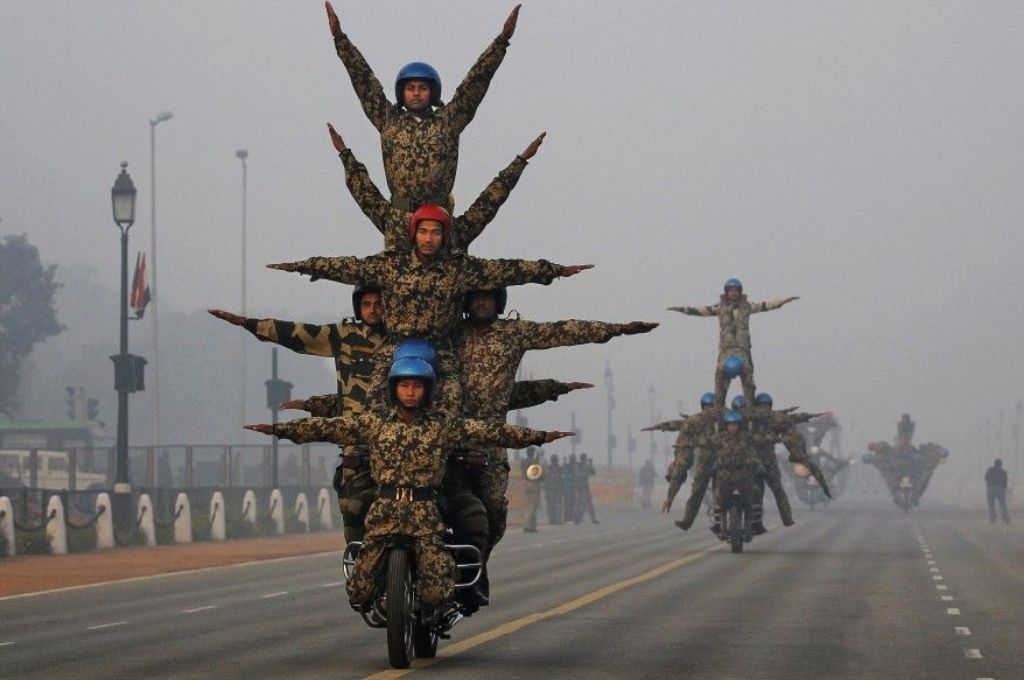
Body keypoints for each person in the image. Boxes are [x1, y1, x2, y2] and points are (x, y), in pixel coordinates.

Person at [244, 357, 571, 610]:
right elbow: (327, 428)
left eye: (416, 386)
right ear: (394, 389)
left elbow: (491, 432)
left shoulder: (443, 427)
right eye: (404, 386)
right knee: (359, 592)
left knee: (437, 593)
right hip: (384, 510)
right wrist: (278, 430)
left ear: (426, 389)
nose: (410, 392)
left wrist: (540, 437)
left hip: (426, 513)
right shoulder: (374, 425)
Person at [267, 205, 592, 416]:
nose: (429, 238)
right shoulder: (392, 266)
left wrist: (554, 271)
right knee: (375, 403)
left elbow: (508, 270)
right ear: (414, 235)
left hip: (442, 350)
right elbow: (349, 267)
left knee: (453, 403)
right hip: (395, 347)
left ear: (443, 237)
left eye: (436, 232)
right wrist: (303, 266)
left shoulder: (459, 269)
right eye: (423, 231)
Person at [454, 286, 654, 549]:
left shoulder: (513, 333)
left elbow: (563, 331)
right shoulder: (450, 334)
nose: (481, 303)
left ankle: (475, 569)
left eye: (487, 298)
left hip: (492, 440)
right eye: (476, 297)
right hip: (447, 434)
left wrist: (615, 329)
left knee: (492, 508)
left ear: (499, 302)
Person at [208, 284, 385, 542]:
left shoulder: (403, 341)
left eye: (379, 304)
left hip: (397, 443)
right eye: (366, 304)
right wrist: (249, 323)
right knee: (353, 519)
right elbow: (298, 334)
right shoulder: (344, 335)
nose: (373, 310)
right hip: (355, 447)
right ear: (358, 308)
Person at [325, 1, 521, 210]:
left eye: (422, 88)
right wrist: (340, 38)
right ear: (402, 92)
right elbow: (364, 81)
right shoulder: (389, 121)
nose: (416, 93)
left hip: (437, 221)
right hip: (400, 221)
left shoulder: (448, 121)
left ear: (433, 92)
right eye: (410, 88)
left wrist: (501, 42)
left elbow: (474, 85)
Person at [327, 123, 544, 251]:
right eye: (423, 230)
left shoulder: (456, 234)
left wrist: (521, 161)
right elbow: (364, 192)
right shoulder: (394, 224)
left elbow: (490, 199)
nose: (429, 238)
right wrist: (345, 153)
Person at [668, 278, 798, 406]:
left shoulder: (747, 307)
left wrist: (782, 301)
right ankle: (718, 407)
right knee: (720, 377)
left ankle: (750, 407)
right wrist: (681, 309)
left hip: (743, 349)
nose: (733, 293)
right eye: (731, 291)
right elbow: (701, 311)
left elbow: (765, 305)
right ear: (726, 292)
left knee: (748, 378)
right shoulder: (719, 308)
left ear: (740, 292)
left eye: (736, 290)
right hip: (726, 349)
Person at [521, 447, 543, 532]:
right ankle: (528, 525)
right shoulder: (534, 461)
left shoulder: (523, 462)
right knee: (533, 506)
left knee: (527, 505)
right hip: (533, 483)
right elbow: (538, 473)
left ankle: (532, 525)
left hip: (525, 483)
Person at [985, 458, 1010, 524]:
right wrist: (1004, 489)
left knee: (991, 504)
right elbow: (1005, 482)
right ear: (1001, 464)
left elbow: (986, 478)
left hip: (991, 488)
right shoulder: (1003, 472)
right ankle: (1005, 518)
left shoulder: (990, 470)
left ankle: (992, 518)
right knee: (1002, 504)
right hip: (1000, 489)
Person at [575, 454, 598, 524]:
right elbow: (593, 473)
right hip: (584, 487)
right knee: (588, 503)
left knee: (579, 503)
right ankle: (593, 519)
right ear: (585, 459)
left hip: (578, 487)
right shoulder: (586, 467)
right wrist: (590, 464)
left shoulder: (577, 466)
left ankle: (577, 518)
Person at [545, 454, 564, 523]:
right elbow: (561, 480)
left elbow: (546, 480)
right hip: (554, 490)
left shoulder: (550, 468)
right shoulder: (558, 469)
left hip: (552, 490)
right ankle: (555, 520)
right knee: (555, 505)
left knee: (553, 505)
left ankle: (553, 519)